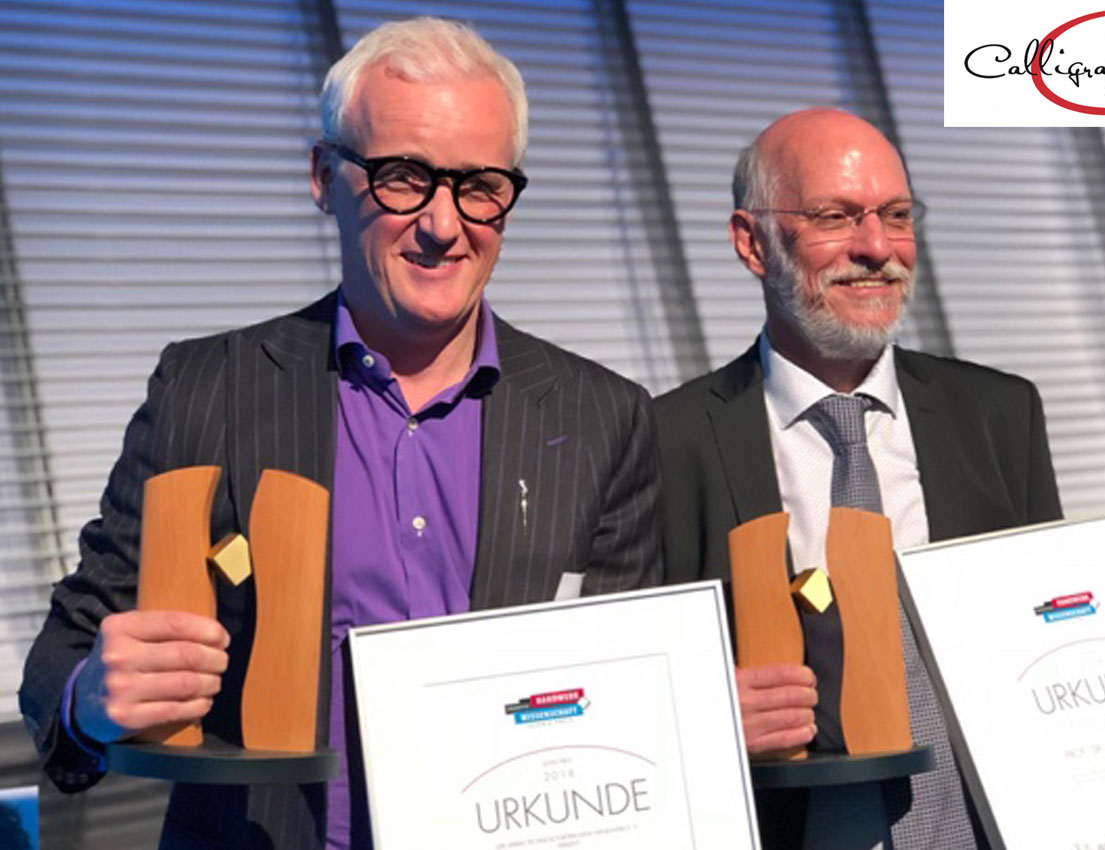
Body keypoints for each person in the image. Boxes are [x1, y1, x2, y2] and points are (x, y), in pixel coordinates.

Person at [19, 17, 660, 850]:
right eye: (403, 177)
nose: (443, 224)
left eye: (480, 186)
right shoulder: (206, 390)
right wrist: (88, 698)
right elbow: (66, 649)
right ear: (324, 177)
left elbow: (628, 694)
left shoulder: (603, 418)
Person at [656, 108, 1062, 848]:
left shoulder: (999, 415)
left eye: (896, 216)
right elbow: (636, 696)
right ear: (751, 242)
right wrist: (702, 720)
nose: (877, 248)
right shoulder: (664, 443)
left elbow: (1052, 641)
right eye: (835, 216)